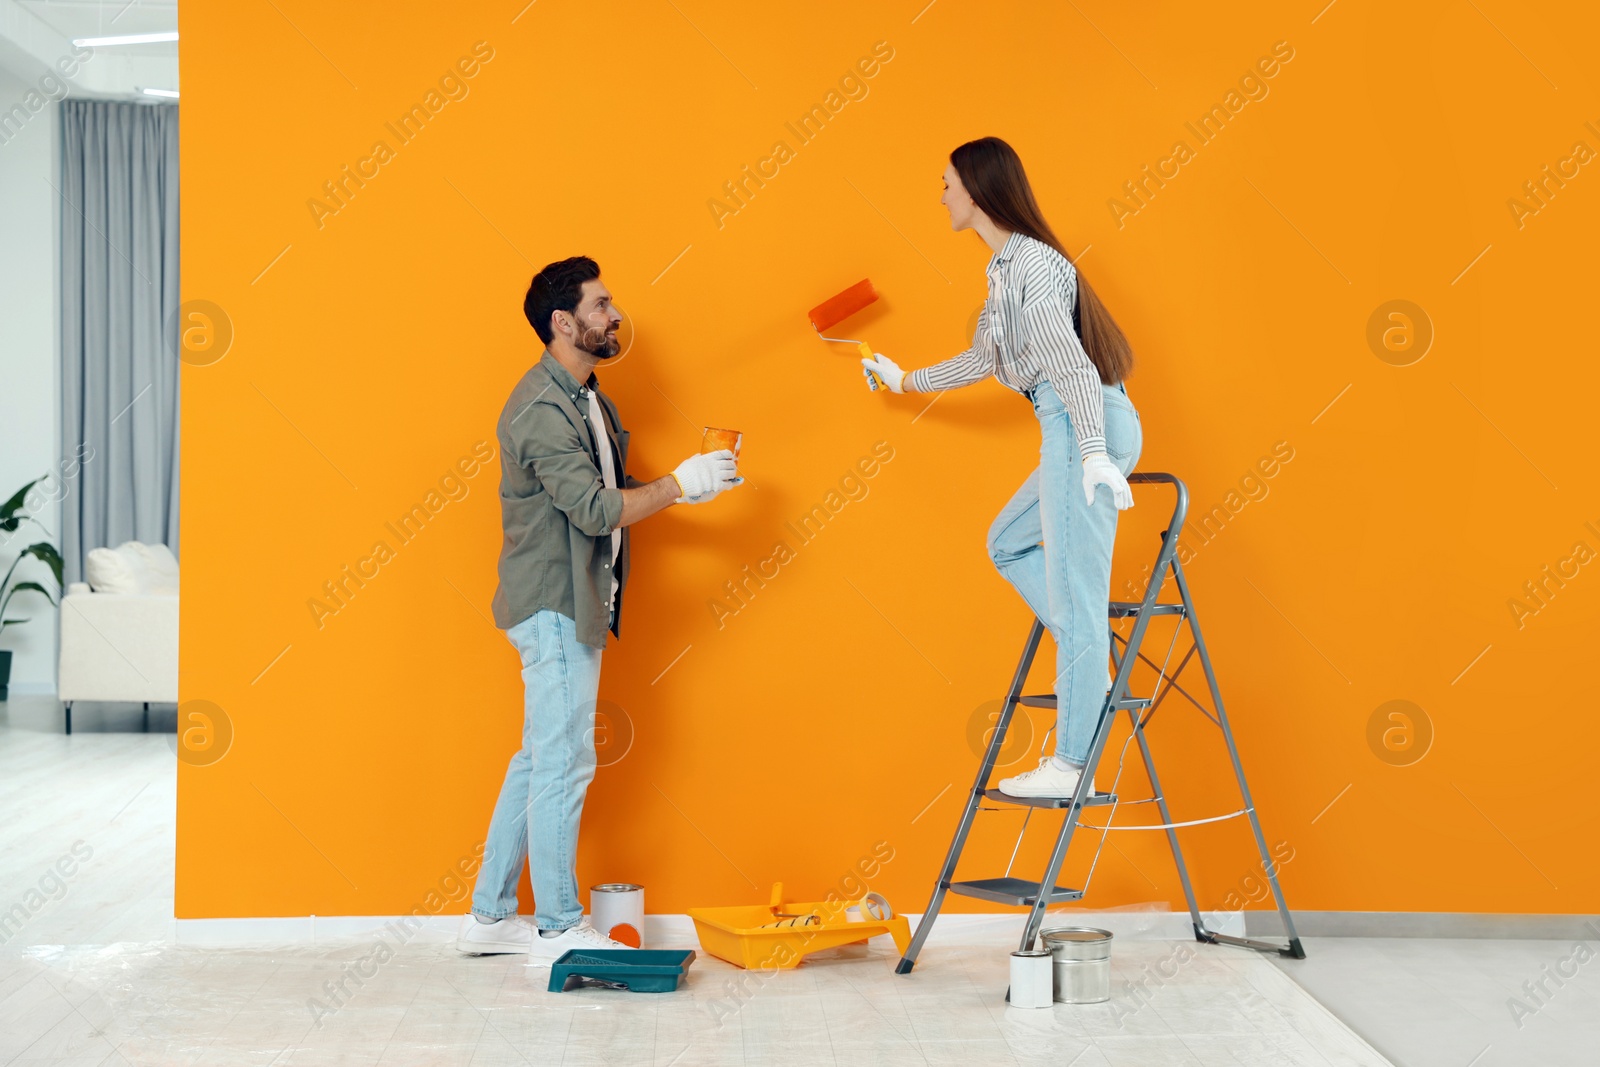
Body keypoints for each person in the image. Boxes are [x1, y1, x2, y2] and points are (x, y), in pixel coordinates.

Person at [458, 256, 742, 959]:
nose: (616, 315)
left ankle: (490, 917)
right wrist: (681, 483)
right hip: (553, 603)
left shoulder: (591, 399)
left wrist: (688, 486)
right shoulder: (539, 409)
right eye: (602, 303)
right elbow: (591, 510)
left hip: (573, 603)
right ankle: (557, 925)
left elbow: (613, 486)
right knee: (565, 761)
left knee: (539, 757)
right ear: (564, 322)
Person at [863, 137, 1143, 799]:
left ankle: (1071, 766)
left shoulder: (1036, 268)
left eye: (946, 184)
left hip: (1081, 421)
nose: (941, 196)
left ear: (977, 189)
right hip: (1069, 424)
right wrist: (904, 380)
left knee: (1075, 603)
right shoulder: (1004, 268)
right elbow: (983, 358)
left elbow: (1071, 365)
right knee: (1006, 542)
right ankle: (1088, 650)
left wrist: (1097, 453)